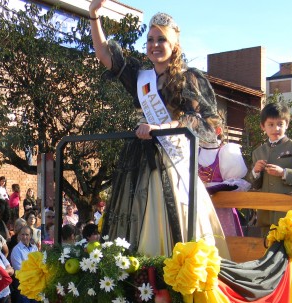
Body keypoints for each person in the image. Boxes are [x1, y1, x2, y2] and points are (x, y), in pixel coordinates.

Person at [89, 2, 228, 257]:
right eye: (150, 39)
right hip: (146, 160)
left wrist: (162, 126)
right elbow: (104, 54)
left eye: (161, 39)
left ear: (174, 44)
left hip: (175, 161)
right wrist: (94, 15)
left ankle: (180, 274)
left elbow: (198, 119)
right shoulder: (142, 78)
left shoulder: (188, 78)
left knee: (179, 220)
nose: (154, 45)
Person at [249, 102, 292, 234]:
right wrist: (255, 172)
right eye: (271, 124)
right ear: (263, 126)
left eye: (280, 124)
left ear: (287, 125)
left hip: (288, 211)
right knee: (266, 248)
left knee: (289, 250)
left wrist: (283, 173)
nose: (276, 129)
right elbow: (255, 184)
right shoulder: (258, 152)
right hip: (265, 211)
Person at [10, 226, 40, 303]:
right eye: (22, 234)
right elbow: (19, 268)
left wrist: (34, 271)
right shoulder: (16, 250)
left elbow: (39, 264)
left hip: (35, 284)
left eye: (27, 235)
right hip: (23, 285)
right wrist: (33, 271)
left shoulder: (34, 248)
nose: (25, 237)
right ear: (19, 236)